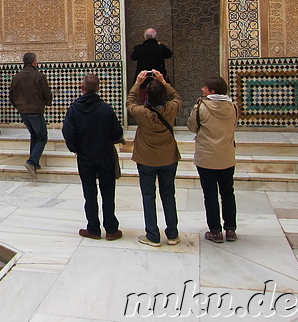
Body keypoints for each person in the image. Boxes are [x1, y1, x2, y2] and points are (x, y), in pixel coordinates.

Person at [62, 74, 124, 241]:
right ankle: (111, 229)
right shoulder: (106, 109)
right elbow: (117, 133)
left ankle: (93, 229)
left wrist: (75, 148)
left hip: (85, 157)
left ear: (82, 88)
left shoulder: (74, 109)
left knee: (89, 193)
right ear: (98, 88)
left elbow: (68, 132)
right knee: (108, 193)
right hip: (105, 156)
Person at [128, 69, 183, 247]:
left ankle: (152, 234)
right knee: (168, 195)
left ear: (147, 96)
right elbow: (176, 97)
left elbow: (130, 102)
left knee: (148, 196)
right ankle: (173, 234)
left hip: (146, 160)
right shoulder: (172, 109)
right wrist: (164, 82)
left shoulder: (142, 113)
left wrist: (137, 83)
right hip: (168, 159)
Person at [188, 76, 239, 243]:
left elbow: (192, 127)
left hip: (207, 158)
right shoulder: (233, 107)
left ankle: (215, 231)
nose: (202, 90)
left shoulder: (201, 107)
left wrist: (196, 108)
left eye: (205, 87)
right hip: (226, 156)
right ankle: (230, 229)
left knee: (210, 195)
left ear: (212, 91)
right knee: (227, 193)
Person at [9, 52, 53, 175]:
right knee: (42, 137)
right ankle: (32, 161)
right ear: (34, 62)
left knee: (34, 135)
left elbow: (11, 96)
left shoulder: (16, 77)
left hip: (23, 111)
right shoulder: (39, 76)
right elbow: (47, 94)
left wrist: (18, 106)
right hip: (35, 110)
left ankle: (35, 163)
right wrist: (47, 103)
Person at [131, 28, 173, 104]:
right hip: (157, 79)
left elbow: (133, 57)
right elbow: (169, 54)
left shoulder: (139, 48)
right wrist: (160, 45)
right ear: (155, 36)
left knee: (143, 101)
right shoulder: (160, 48)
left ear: (145, 37)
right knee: (159, 100)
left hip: (143, 80)